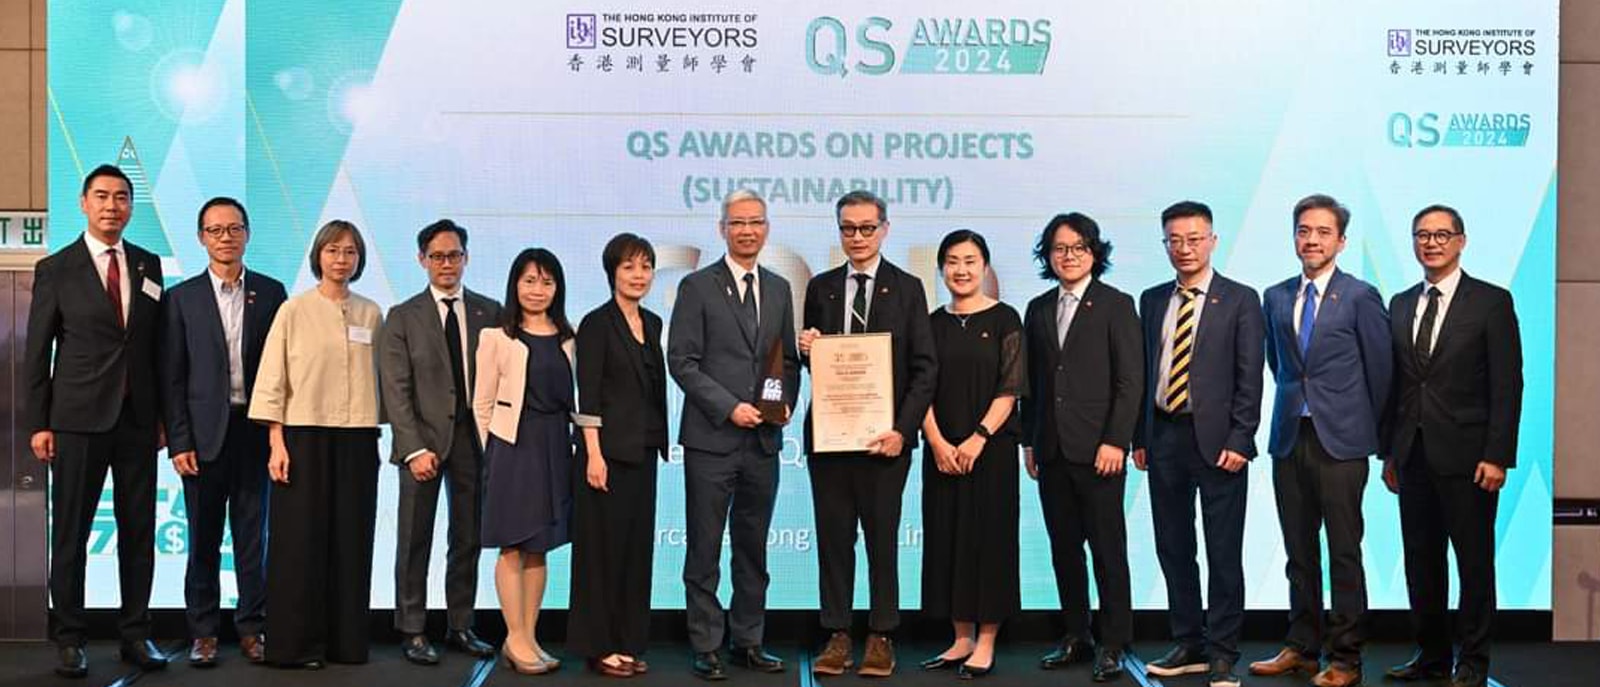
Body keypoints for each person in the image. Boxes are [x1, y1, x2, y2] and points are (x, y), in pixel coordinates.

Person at [26, 164, 168, 678]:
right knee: (71, 534)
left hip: (137, 421)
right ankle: (69, 637)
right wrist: (39, 423)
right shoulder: (56, 268)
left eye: (122, 197)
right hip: (77, 420)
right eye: (102, 196)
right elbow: (37, 350)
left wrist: (164, 419)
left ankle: (136, 634)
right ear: (84, 203)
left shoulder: (149, 265)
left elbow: (157, 349)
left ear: (131, 206)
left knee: (139, 532)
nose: (112, 206)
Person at [1250, 194, 1391, 687]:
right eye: (1304, 231)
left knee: (1344, 552)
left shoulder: (1360, 296)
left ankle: (1347, 658)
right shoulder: (1275, 296)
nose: (1312, 240)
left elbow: (1380, 371)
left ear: (1341, 241)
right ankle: (1302, 647)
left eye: (1323, 232)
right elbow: (1280, 365)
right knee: (1298, 551)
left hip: (1342, 442)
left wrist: (1381, 443)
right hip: (1290, 436)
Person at [798, 190, 939, 679]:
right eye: (848, 228)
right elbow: (818, 366)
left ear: (884, 229)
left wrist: (903, 430)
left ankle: (882, 634)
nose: (857, 237)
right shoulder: (821, 288)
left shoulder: (908, 288)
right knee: (834, 540)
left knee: (882, 540)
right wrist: (807, 348)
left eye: (866, 227)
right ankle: (837, 633)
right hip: (831, 440)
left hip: (886, 442)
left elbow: (925, 368)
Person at [1380, 205, 1522, 687]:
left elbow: (1508, 384)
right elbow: (1398, 385)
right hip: (1412, 455)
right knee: (1421, 563)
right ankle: (1432, 657)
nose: (1432, 243)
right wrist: (1390, 453)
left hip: (1470, 458)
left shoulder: (1491, 302)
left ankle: (1474, 663)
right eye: (1422, 235)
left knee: (1474, 565)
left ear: (1461, 241)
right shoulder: (1401, 303)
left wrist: (1497, 455)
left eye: (1442, 235)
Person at [667, 189, 800, 681]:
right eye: (738, 222)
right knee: (704, 548)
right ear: (722, 228)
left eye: (756, 222)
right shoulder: (697, 286)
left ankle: (749, 640)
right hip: (711, 440)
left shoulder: (780, 288)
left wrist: (782, 403)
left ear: (767, 229)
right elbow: (681, 360)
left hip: (762, 442)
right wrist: (730, 408)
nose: (747, 230)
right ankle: (706, 643)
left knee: (753, 547)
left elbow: (786, 360)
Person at [1131, 202, 1263, 687]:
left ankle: (1224, 651)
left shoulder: (1241, 299)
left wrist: (1241, 438)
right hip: (1163, 435)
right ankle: (1189, 642)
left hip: (1220, 441)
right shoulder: (1151, 299)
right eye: (1175, 240)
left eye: (1194, 239)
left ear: (1212, 240)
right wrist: (1140, 436)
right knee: (1173, 546)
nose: (1184, 248)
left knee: (1223, 551)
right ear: (1165, 244)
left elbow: (1250, 377)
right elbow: (1144, 373)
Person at [249, 219, 384, 669]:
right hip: (302, 436)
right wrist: (276, 441)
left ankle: (346, 643)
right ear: (318, 256)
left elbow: (381, 379)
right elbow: (272, 377)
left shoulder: (371, 313)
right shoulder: (294, 310)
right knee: (299, 543)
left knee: (352, 540)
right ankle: (296, 645)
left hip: (358, 437)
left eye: (350, 252)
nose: (341, 259)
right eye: (333, 250)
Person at [160, 197, 287, 667]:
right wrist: (179, 441)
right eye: (215, 230)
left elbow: (283, 368)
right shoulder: (182, 298)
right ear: (201, 238)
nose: (225, 237)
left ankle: (253, 628)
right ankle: (204, 632)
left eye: (234, 228)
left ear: (247, 234)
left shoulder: (271, 293)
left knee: (253, 538)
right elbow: (172, 377)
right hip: (202, 437)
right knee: (204, 540)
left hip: (253, 433)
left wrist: (278, 436)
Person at [1019, 212, 1141, 683]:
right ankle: (1076, 634)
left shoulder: (1116, 305)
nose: (1068, 256)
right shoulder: (1037, 308)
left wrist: (1116, 440)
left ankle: (1114, 641)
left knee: (1108, 550)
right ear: (1048, 256)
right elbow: (1032, 383)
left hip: (1099, 451)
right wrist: (1029, 441)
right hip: (1051, 450)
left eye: (1078, 247)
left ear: (1094, 252)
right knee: (1064, 549)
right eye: (1059, 248)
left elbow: (1130, 382)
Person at [378, 219, 500, 665]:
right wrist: (413, 448)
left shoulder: (491, 311)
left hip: (474, 441)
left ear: (466, 258)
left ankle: (460, 625)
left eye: (454, 255)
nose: (446, 264)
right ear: (422, 260)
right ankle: (412, 629)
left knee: (468, 537)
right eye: (437, 256)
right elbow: (395, 389)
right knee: (415, 539)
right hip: (421, 443)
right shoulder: (402, 316)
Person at [916, 230, 1023, 680]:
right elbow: (918, 387)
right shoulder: (930, 323)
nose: (961, 270)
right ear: (942, 268)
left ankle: (987, 640)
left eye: (971, 261)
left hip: (991, 451)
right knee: (947, 538)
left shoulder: (1005, 319)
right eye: (953, 262)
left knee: (990, 540)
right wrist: (937, 442)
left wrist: (978, 437)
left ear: (985, 266)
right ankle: (961, 637)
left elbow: (1011, 388)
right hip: (941, 451)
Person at [569, 233, 669, 678]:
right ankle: (599, 645)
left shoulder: (653, 322)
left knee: (634, 551)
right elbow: (588, 394)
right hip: (605, 456)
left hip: (643, 452)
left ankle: (628, 640)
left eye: (646, 266)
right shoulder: (596, 324)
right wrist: (593, 454)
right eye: (629, 267)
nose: (639, 275)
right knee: (601, 553)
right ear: (612, 272)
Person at [472, 248, 576, 676]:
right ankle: (513, 638)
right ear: (515, 284)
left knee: (539, 548)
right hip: (513, 447)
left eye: (547, 282)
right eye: (529, 280)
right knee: (512, 546)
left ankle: (529, 637)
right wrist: (495, 451)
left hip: (555, 445)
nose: (538, 290)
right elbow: (481, 404)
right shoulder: (497, 337)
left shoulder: (569, 337)